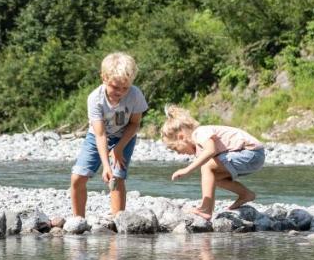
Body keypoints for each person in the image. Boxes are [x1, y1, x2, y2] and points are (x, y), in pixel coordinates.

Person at [69, 52, 148, 218]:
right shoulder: (95, 99)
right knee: (78, 177)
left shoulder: (135, 95)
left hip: (124, 137)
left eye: (124, 88)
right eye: (115, 87)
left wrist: (119, 149)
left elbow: (134, 124)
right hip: (97, 137)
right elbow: (100, 134)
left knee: (117, 178)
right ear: (104, 78)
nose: (120, 92)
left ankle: (118, 219)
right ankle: (78, 220)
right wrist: (106, 165)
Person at [162, 106, 266, 219]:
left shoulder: (199, 133)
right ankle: (246, 194)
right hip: (251, 157)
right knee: (214, 177)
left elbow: (211, 150)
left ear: (181, 137)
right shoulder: (198, 145)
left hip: (251, 153)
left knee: (207, 166)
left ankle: (206, 209)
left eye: (176, 149)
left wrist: (187, 169)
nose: (178, 153)